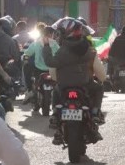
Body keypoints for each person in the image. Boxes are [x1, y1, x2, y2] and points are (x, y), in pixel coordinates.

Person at [42, 17, 103, 146]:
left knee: (56, 92)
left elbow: (50, 63)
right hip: (84, 84)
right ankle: (95, 112)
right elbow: (100, 72)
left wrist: (46, 46)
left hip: (64, 85)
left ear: (67, 33)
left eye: (60, 33)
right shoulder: (88, 48)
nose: (58, 36)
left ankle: (55, 115)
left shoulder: (63, 50)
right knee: (98, 88)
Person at [21, 24, 57, 103]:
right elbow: (60, 55)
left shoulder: (36, 43)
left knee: (26, 66)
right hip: (52, 69)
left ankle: (30, 89)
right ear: (52, 34)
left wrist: (25, 57)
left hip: (38, 69)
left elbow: (27, 53)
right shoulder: (55, 44)